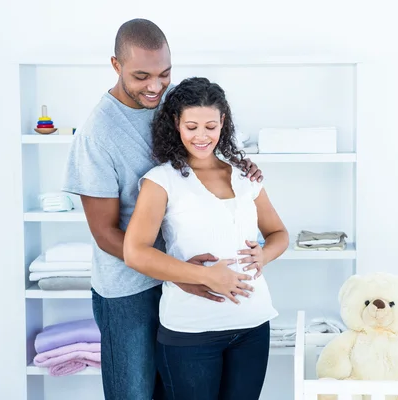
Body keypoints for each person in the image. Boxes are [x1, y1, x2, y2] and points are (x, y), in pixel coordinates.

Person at [62, 19, 265, 400]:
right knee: (135, 393)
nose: (155, 86)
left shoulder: (166, 104)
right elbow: (105, 233)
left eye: (164, 74)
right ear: (115, 65)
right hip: (129, 291)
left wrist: (238, 164)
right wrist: (182, 275)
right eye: (141, 76)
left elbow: (200, 141)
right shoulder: (97, 134)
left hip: (182, 277)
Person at [123, 76, 289, 400]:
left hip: (252, 325)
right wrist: (205, 276)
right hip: (191, 329)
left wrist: (265, 255)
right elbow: (135, 252)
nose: (202, 136)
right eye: (192, 126)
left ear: (223, 122)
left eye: (210, 126)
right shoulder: (161, 181)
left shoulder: (244, 175)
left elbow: (279, 234)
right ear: (176, 123)